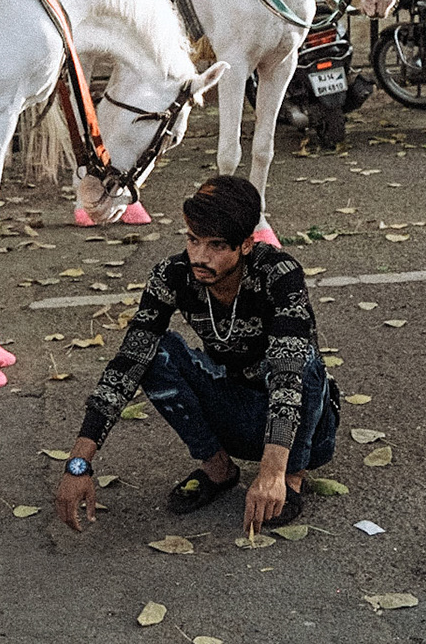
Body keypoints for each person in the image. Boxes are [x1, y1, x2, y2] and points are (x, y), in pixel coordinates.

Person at [55, 175, 339, 536]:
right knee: (153, 352)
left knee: (302, 361)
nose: (200, 257)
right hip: (231, 407)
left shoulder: (279, 274)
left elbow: (287, 376)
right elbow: (127, 364)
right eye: (193, 240)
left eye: (217, 245)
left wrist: (271, 473)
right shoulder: (172, 276)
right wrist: (78, 464)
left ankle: (290, 477)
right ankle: (219, 468)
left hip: (302, 428)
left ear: (247, 245)